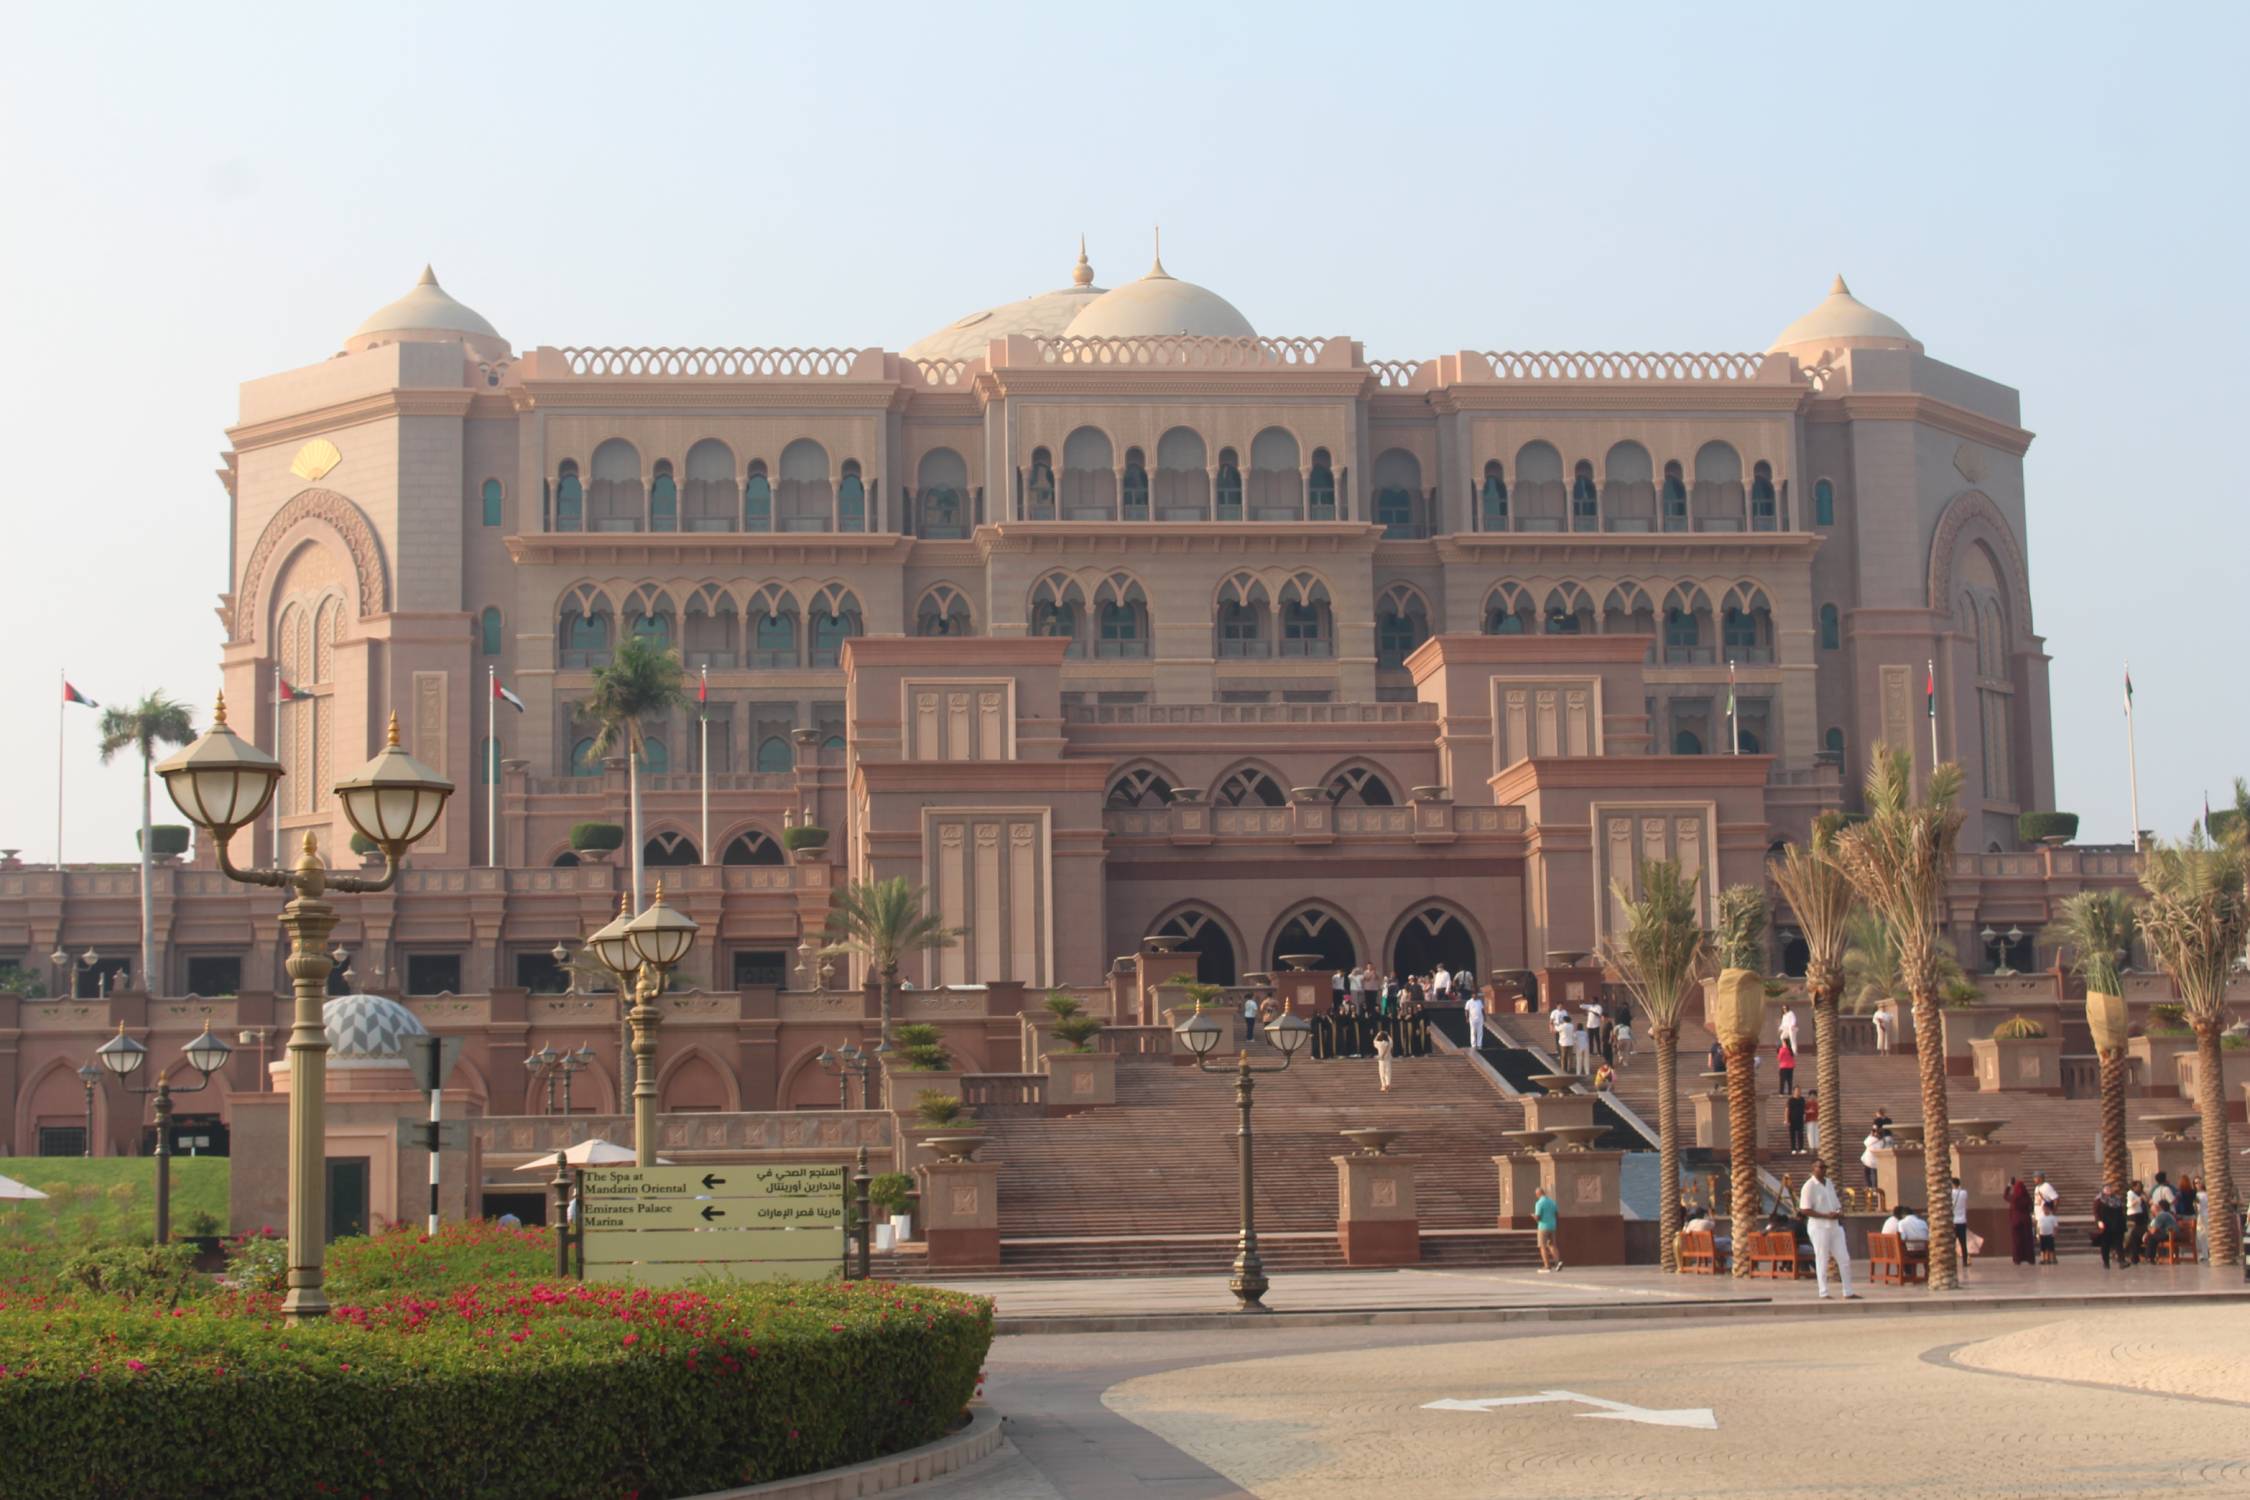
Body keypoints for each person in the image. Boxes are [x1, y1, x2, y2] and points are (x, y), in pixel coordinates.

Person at [1799, 1159, 1857, 1300]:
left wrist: (1838, 1212)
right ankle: (1823, 1291)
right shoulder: (1809, 1186)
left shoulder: (1829, 1183)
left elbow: (1836, 1203)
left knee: (1844, 1258)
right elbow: (1805, 1210)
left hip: (1834, 1226)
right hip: (1819, 1226)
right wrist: (1825, 1215)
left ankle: (1848, 1291)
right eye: (1820, 1167)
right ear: (1813, 1169)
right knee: (1822, 1258)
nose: (1823, 1170)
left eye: (1825, 1167)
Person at [2094, 1186, 2127, 1269]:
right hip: (2106, 1225)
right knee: (2105, 1244)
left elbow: (2121, 1211)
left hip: (2117, 1224)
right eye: (2107, 1190)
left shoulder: (2116, 1199)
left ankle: (2122, 1261)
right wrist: (2099, 1221)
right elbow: (2096, 1212)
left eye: (2110, 1189)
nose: (2109, 1191)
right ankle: (2106, 1262)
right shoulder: (2099, 1200)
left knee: (2119, 1243)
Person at [2004, 1176, 2032, 1265]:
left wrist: (2009, 1185)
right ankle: (2029, 1258)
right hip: (2026, 1221)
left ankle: (2017, 1259)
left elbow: (2005, 1196)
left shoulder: (2013, 1198)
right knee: (2027, 1240)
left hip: (2015, 1221)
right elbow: (2031, 1207)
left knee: (2017, 1241)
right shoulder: (2027, 1198)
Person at [1533, 1186, 1562, 1272]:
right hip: (1552, 1226)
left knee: (1542, 1246)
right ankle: (1558, 1262)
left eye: (1536, 1195)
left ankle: (1547, 1265)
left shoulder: (1539, 1203)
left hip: (1543, 1227)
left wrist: (1533, 1216)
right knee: (1552, 1245)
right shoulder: (1552, 1202)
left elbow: (1538, 1217)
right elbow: (1557, 1214)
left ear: (1538, 1194)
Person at [2124, 1179, 2150, 1266]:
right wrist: (2139, 1199)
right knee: (2133, 1234)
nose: (2139, 1188)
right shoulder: (2130, 1193)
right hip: (2133, 1215)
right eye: (2138, 1186)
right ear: (2134, 1187)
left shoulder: (2139, 1194)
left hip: (2140, 1215)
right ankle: (2132, 1255)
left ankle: (2139, 1254)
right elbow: (2129, 1204)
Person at [2034, 1199, 2059, 1264]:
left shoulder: (2053, 1217)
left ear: (2050, 1209)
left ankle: (2051, 1259)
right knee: (2043, 1248)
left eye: (2047, 1208)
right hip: (2042, 1235)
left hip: (2050, 1235)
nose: (2045, 1210)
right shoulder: (2041, 1218)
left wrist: (2055, 1233)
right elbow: (2038, 1227)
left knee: (2050, 1248)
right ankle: (2043, 1259)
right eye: (2044, 1208)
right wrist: (2037, 1234)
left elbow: (2056, 1226)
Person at [1786, 1087, 1808, 1153]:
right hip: (1792, 1120)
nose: (1798, 1092)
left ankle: (1801, 1148)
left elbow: (1804, 1109)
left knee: (1800, 1134)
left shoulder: (1802, 1099)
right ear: (1794, 1091)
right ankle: (1793, 1149)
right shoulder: (1790, 1100)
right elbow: (1787, 1110)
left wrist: (1805, 1116)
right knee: (1792, 1135)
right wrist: (1787, 1120)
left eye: (1799, 1090)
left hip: (1800, 1119)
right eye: (1797, 1090)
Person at [1373, 1027, 1395, 1093]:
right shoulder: (1389, 1043)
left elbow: (1374, 1041)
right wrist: (1388, 1035)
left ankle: (1383, 1085)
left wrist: (1377, 1034)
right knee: (1388, 1072)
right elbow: (1391, 1041)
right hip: (1388, 1059)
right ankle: (1388, 1084)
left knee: (1382, 1072)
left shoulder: (1379, 1044)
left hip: (1381, 1059)